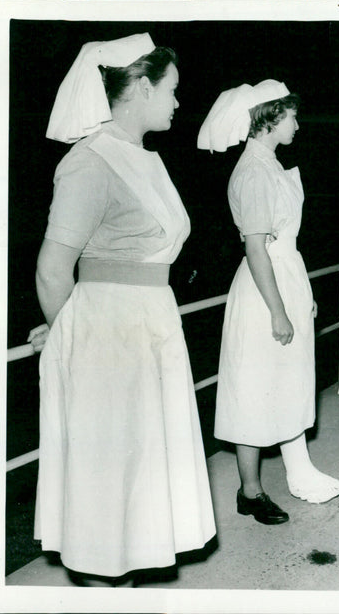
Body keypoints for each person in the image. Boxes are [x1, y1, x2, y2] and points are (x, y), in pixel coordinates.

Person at [29, 34, 216, 582]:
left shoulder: (145, 159)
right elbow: (51, 269)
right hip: (108, 338)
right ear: (139, 87)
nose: (179, 103)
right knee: (106, 497)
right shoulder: (89, 162)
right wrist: (68, 334)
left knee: (138, 489)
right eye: (172, 90)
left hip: (148, 327)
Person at [198, 81, 339, 524]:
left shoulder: (271, 165)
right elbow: (256, 248)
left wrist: (300, 296)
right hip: (264, 293)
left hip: (284, 278)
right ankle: (250, 490)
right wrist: (279, 310)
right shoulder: (253, 170)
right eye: (292, 117)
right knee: (253, 390)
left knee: (286, 384)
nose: (298, 125)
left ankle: (298, 472)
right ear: (270, 118)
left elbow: (284, 244)